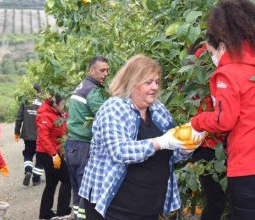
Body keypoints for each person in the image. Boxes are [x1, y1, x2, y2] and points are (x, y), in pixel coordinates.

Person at [188, 1, 255, 219]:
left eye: (212, 49)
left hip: (251, 169)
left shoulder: (227, 73)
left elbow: (224, 120)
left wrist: (198, 121)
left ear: (223, 42)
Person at [78, 55, 203, 219]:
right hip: (114, 207)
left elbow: (170, 154)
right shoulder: (114, 108)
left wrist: (186, 148)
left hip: (148, 207)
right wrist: (160, 142)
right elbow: (119, 151)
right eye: (148, 82)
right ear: (132, 82)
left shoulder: (158, 110)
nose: (154, 87)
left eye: (157, 82)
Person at [188, 40, 228, 220]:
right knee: (217, 200)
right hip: (209, 143)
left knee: (218, 200)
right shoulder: (206, 61)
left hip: (208, 143)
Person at [65, 56, 109, 219]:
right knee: (87, 193)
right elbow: (104, 118)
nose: (105, 74)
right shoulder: (94, 91)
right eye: (102, 70)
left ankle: (77, 216)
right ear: (92, 70)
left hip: (72, 145)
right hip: (85, 146)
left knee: (77, 190)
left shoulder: (82, 86)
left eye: (107, 70)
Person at [36, 94, 72, 220]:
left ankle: (45, 214)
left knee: (51, 183)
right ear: (56, 103)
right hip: (47, 154)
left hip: (54, 153)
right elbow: (43, 138)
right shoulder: (44, 115)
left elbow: (64, 127)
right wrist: (54, 154)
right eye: (62, 104)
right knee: (67, 179)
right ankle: (63, 212)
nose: (64, 107)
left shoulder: (58, 114)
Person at [14, 83, 45, 186]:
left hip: (28, 135)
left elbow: (19, 118)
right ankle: (36, 180)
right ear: (40, 91)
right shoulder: (43, 102)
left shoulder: (25, 101)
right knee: (40, 157)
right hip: (40, 136)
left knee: (28, 153)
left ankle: (28, 171)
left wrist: (17, 132)